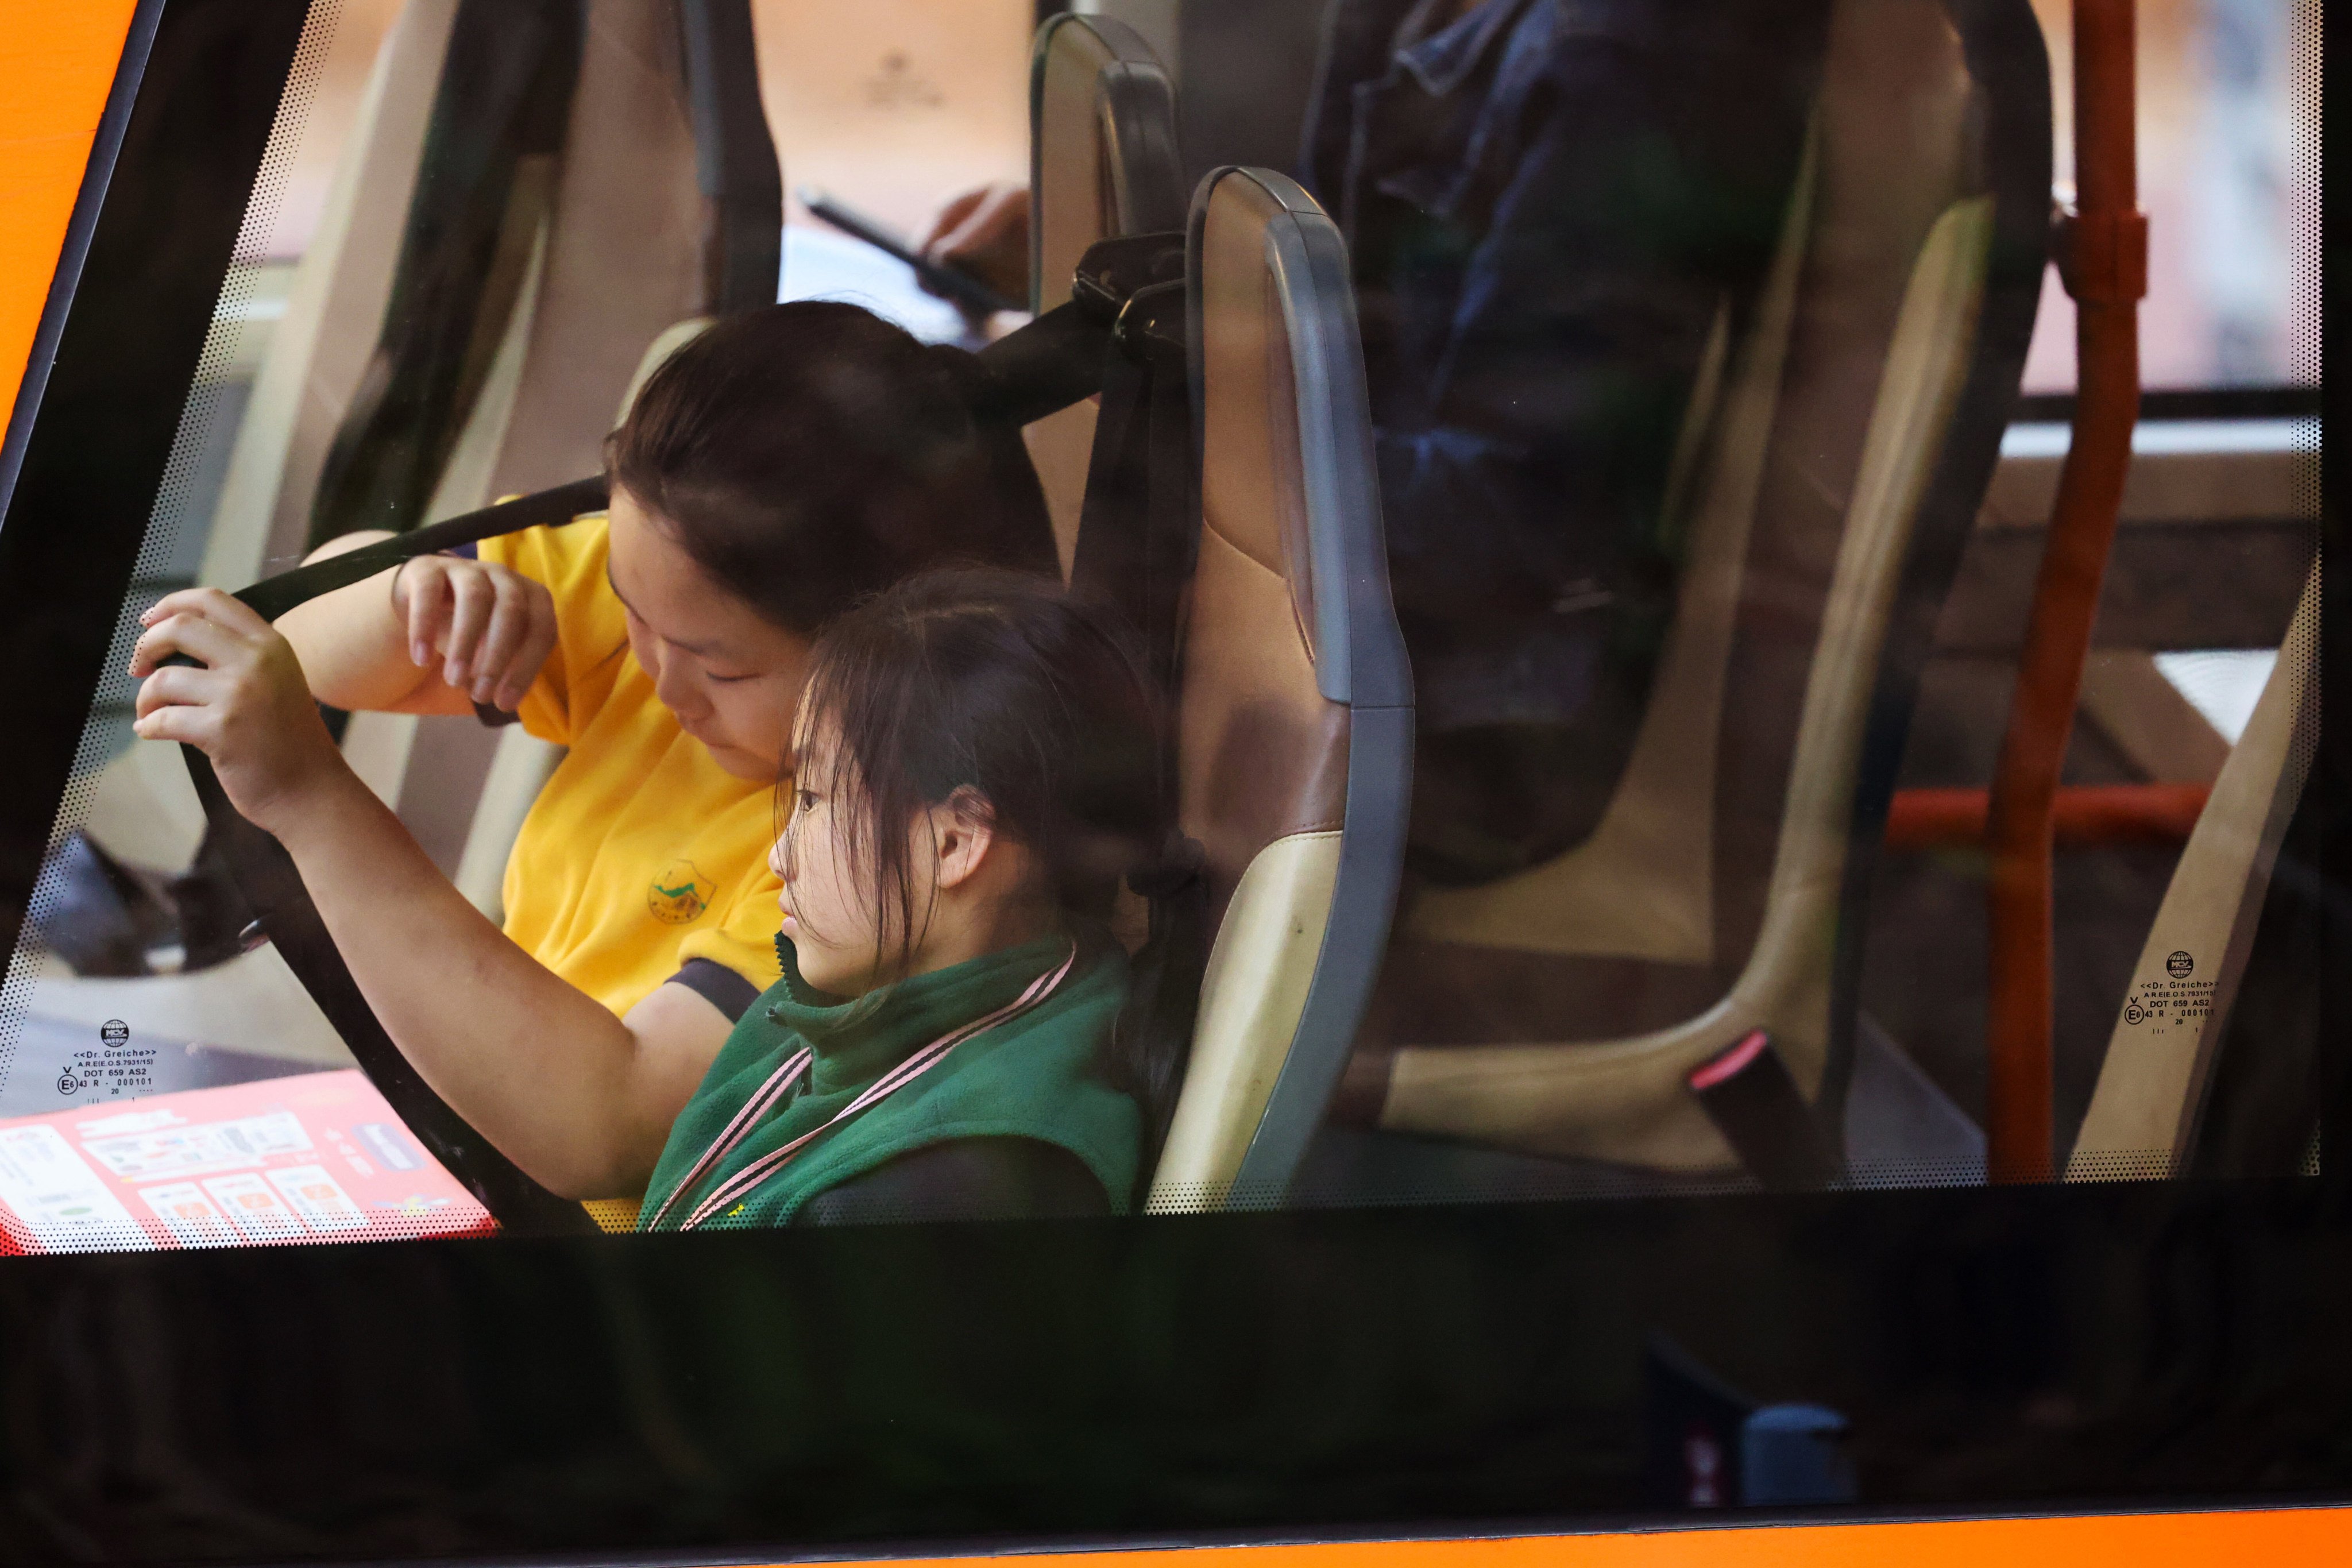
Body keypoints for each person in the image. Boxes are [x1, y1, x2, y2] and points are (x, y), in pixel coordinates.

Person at [128, 304, 1059, 1202]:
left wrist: (311, 802)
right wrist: (414, 596)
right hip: (463, 1121)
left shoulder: (868, 856)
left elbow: (607, 1130)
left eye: (718, 669)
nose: (653, 672)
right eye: (627, 602)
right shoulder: (672, 598)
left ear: (908, 652)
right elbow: (311, 652)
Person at [925, 0, 1824, 883]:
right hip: (1351, 614)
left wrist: (1196, 426)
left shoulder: (1617, 64)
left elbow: (1508, 519)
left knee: (939, 710)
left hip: (1470, 712)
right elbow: (1343, 324)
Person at [641, 569, 1163, 1228]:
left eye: (813, 799)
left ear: (955, 841)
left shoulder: (949, 1190)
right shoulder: (848, 1004)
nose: (780, 856)